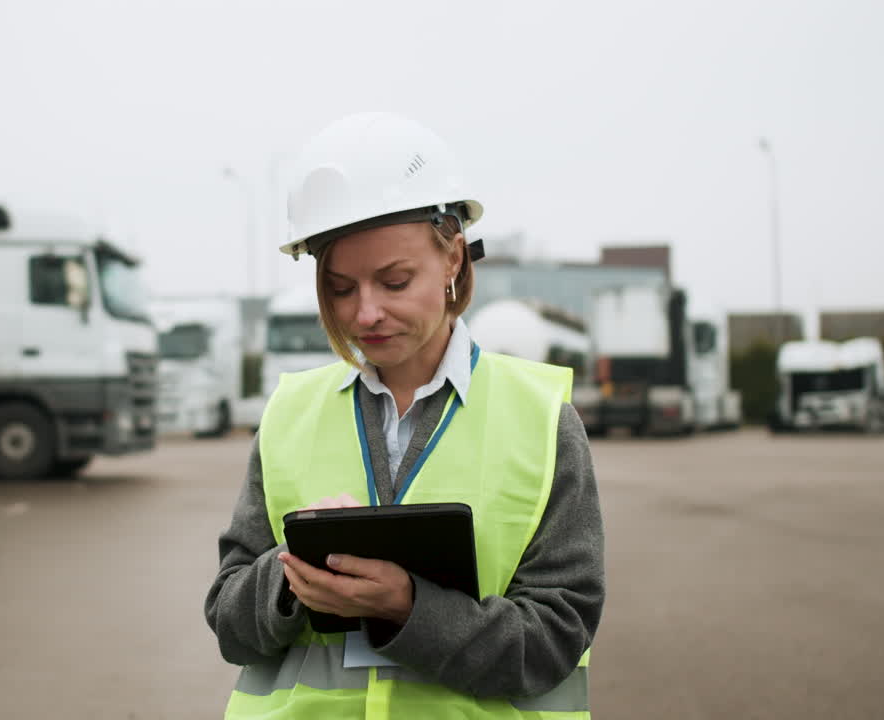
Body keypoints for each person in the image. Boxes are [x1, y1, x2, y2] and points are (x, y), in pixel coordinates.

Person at [204, 112, 605, 718]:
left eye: (394, 281)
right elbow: (230, 622)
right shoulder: (289, 414)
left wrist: (410, 609)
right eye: (340, 288)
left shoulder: (543, 421)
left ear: (452, 260)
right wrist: (287, 578)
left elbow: (554, 639)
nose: (365, 315)